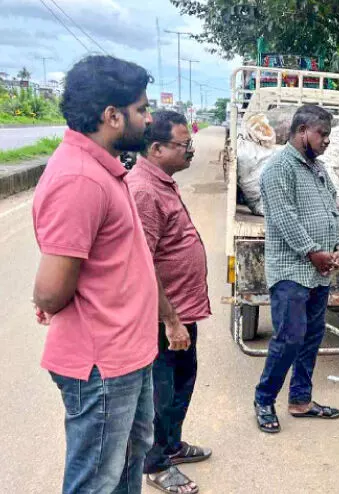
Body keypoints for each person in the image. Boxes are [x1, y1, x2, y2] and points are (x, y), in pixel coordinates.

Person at [31, 55, 157, 493]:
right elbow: (49, 292)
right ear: (112, 116)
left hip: (127, 355)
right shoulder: (80, 179)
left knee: (127, 461)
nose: (148, 118)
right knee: (96, 481)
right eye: (141, 109)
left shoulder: (104, 169)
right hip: (102, 363)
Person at [126, 110, 212, 494]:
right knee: (162, 392)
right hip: (164, 316)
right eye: (184, 144)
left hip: (180, 310)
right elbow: (142, 264)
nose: (191, 150)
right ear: (157, 148)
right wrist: (171, 321)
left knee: (181, 382)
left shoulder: (162, 182)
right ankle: (156, 463)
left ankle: (172, 445)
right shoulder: (143, 190)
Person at [253, 104, 339, 433]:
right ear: (302, 130)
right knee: (289, 338)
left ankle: (300, 400)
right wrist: (312, 252)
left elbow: (332, 209)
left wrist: (337, 248)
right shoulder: (279, 168)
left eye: (329, 136)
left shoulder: (317, 168)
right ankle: (264, 399)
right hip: (291, 271)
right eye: (322, 134)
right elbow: (283, 217)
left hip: (319, 271)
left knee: (311, 338)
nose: (326, 141)